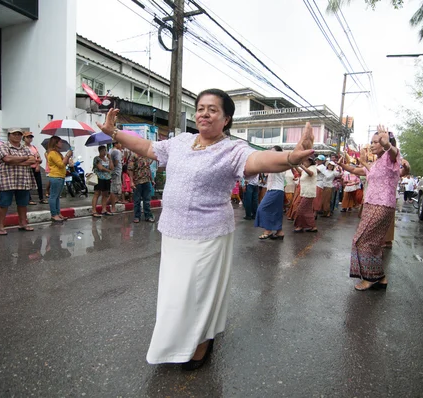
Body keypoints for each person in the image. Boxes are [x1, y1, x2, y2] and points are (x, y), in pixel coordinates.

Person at [96, 88, 314, 370]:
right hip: (174, 232)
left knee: (198, 292)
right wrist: (114, 133)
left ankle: (200, 342)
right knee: (176, 293)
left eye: (213, 109)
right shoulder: (181, 141)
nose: (204, 114)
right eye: (200, 108)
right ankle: (176, 342)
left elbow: (257, 161)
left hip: (208, 233)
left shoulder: (232, 149)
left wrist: (291, 158)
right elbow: (149, 149)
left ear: (226, 119)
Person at [337, 126, 407, 291]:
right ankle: (380, 277)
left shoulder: (392, 159)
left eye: (377, 142)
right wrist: (343, 165)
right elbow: (355, 169)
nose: (373, 145)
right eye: (372, 142)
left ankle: (371, 277)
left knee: (362, 240)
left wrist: (387, 144)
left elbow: (394, 153)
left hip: (381, 205)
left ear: (386, 142)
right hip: (370, 204)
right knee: (372, 242)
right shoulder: (375, 164)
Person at [0, 129, 37, 235]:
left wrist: (16, 161)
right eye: (15, 134)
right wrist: (25, 158)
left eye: (19, 134)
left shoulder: (25, 147)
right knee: (4, 203)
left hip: (23, 179)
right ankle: (0, 226)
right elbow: (7, 159)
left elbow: (32, 160)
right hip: (7, 179)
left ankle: (23, 223)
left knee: (23, 203)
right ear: (9, 135)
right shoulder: (4, 146)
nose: (17, 136)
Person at [255, 146, 286, 240]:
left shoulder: (279, 163)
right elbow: (265, 173)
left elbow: (266, 170)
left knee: (262, 208)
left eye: (273, 152)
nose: (270, 153)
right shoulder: (276, 162)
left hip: (275, 190)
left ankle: (268, 230)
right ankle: (279, 231)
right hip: (275, 189)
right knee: (276, 211)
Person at [46, 136, 73, 223]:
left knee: (57, 196)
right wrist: (67, 155)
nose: (61, 144)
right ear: (55, 143)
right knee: (53, 196)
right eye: (60, 142)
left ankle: (58, 213)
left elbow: (64, 164)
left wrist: (68, 158)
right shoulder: (52, 153)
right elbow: (61, 165)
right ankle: (54, 214)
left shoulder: (58, 153)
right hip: (55, 176)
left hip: (61, 176)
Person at [127, 151, 154, 223]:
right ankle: (137, 216)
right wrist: (131, 181)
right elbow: (130, 170)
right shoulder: (134, 156)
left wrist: (152, 179)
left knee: (147, 200)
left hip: (146, 180)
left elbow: (148, 168)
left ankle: (148, 216)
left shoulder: (146, 155)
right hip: (137, 181)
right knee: (137, 200)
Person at [293, 156, 318, 232]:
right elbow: (301, 172)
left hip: (308, 193)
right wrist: (294, 166)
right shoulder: (306, 169)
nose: (303, 162)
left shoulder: (313, 168)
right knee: (308, 211)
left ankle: (300, 226)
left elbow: (310, 173)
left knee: (301, 209)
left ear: (310, 162)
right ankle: (313, 226)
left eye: (304, 161)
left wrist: (301, 165)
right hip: (305, 192)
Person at [22, 132, 47, 205]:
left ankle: (41, 198)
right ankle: (29, 199)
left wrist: (38, 164)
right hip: (27, 167)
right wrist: (34, 160)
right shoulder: (23, 147)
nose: (30, 139)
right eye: (28, 137)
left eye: (31, 137)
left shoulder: (34, 147)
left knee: (39, 183)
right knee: (28, 184)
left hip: (35, 166)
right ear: (24, 138)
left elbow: (38, 157)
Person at [91, 145, 114, 217]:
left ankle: (104, 209)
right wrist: (108, 171)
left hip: (107, 178)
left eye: (105, 150)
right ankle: (94, 210)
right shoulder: (97, 159)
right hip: (99, 177)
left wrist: (110, 159)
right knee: (97, 193)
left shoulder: (107, 159)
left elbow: (112, 167)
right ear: (100, 151)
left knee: (105, 194)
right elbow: (100, 168)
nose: (104, 152)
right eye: (103, 150)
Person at [108, 141, 123, 211]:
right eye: (120, 143)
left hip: (113, 172)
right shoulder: (117, 152)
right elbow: (116, 162)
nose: (121, 145)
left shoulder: (110, 150)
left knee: (114, 188)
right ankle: (112, 206)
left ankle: (108, 202)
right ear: (116, 144)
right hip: (116, 172)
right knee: (114, 190)